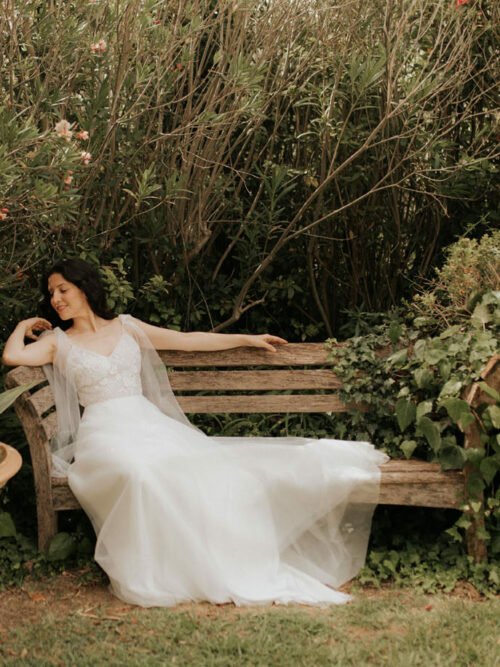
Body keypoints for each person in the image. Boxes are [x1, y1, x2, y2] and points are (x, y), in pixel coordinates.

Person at [2, 258, 388, 607]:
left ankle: (216, 558)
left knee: (214, 469)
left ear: (84, 287)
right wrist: (23, 326)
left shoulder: (127, 326)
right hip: (104, 434)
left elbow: (186, 341)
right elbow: (13, 357)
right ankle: (157, 569)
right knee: (139, 473)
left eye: (62, 289)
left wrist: (245, 338)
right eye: (50, 293)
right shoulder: (58, 342)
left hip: (148, 425)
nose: (55, 298)